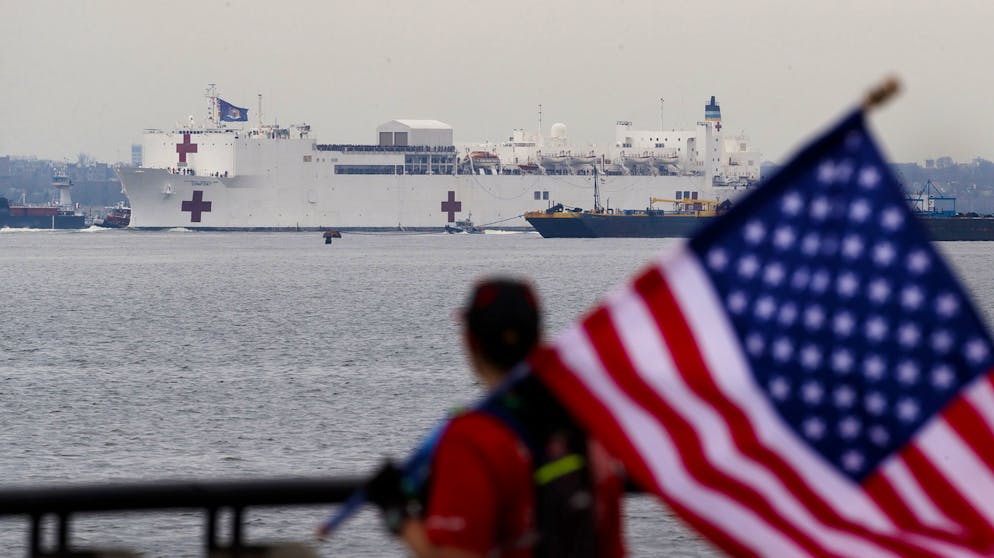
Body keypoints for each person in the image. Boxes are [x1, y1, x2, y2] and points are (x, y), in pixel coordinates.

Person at [366, 277, 625, 558]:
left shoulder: (472, 439)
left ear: (469, 342)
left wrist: (398, 515)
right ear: (539, 338)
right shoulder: (587, 430)